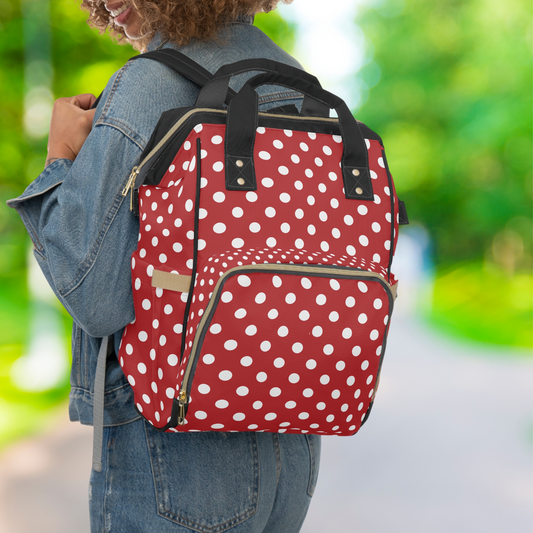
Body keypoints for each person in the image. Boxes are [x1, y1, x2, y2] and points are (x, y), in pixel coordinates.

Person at [7, 1, 321, 532]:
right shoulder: (297, 82)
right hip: (291, 443)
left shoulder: (149, 84)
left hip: (176, 450)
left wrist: (60, 155)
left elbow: (95, 296)